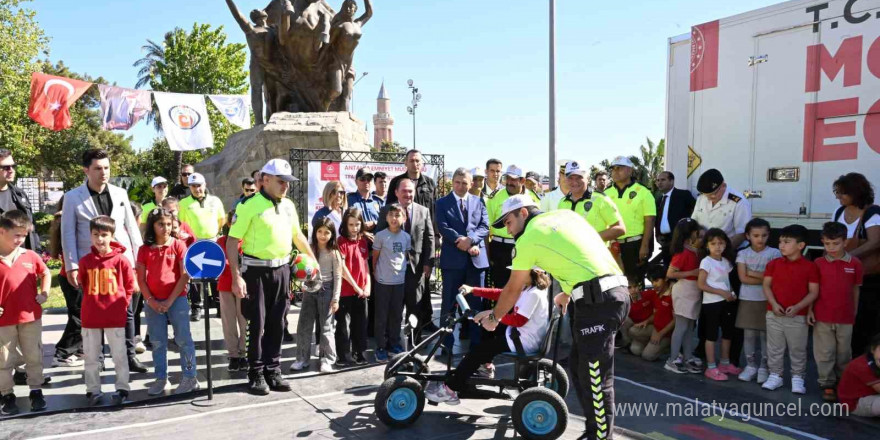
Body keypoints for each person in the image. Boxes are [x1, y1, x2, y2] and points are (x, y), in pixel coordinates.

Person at [474, 195, 628, 440]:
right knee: (580, 368)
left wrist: (494, 317)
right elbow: (580, 254)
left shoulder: (528, 238)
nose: (508, 229)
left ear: (523, 213)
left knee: (595, 377)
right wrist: (567, 293)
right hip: (605, 294)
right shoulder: (565, 216)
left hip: (599, 301)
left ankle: (601, 437)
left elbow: (513, 288)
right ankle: (594, 432)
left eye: (509, 222)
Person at [229, 159, 314, 395]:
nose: (285, 186)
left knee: (278, 322)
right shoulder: (248, 205)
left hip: (282, 270)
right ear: (265, 180)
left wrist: (313, 260)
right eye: (280, 181)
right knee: (256, 324)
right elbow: (232, 241)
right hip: (255, 272)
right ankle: (255, 372)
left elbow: (298, 236)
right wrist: (237, 277)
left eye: (287, 181)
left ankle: (273, 369)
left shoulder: (288, 206)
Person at [61, 148, 146, 374]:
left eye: (107, 168)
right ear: (86, 170)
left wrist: (139, 261)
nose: (103, 172)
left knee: (127, 312)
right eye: (98, 168)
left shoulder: (120, 194)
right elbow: (67, 233)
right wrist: (72, 265)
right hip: (91, 265)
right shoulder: (71, 198)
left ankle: (129, 358)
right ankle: (96, 361)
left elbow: (131, 229)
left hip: (121, 262)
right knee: (93, 315)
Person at [426, 268, 550, 404]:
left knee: (478, 351)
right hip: (520, 334)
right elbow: (502, 295)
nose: (514, 274)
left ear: (529, 273)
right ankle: (486, 366)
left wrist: (492, 314)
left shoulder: (533, 294)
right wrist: (473, 290)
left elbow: (518, 320)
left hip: (523, 340)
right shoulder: (528, 288)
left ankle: (450, 390)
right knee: (485, 331)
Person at [691, 168, 751, 366]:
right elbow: (696, 225)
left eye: (713, 194)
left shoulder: (738, 201)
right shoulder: (702, 199)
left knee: (730, 309)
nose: (710, 198)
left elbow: (742, 233)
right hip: (706, 257)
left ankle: (732, 357)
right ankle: (702, 347)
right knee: (706, 306)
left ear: (723, 186)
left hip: (728, 258)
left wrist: (721, 252)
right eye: (707, 195)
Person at [136, 208, 200, 396]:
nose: (165, 228)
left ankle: (190, 377)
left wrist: (170, 300)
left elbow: (185, 275)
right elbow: (141, 279)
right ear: (152, 226)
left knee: (184, 339)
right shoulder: (144, 249)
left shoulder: (179, 245)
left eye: (169, 224)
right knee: (157, 341)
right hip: (152, 302)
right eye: (160, 224)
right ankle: (161, 378)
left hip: (177, 299)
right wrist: (151, 300)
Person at [78, 216, 136, 406]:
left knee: (119, 355)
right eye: (96, 234)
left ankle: (122, 387)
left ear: (112, 236)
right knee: (92, 357)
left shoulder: (122, 260)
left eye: (104, 235)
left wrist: (123, 304)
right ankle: (92, 390)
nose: (100, 239)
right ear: (90, 235)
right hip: (91, 316)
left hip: (115, 316)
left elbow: (129, 286)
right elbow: (83, 284)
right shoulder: (86, 261)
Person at [0, 211, 51, 415]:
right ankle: (6, 394)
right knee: (4, 359)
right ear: (2, 231)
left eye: (24, 235)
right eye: (16, 235)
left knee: (34, 356)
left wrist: (45, 293)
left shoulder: (30, 255)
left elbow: (45, 272)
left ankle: (36, 391)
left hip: (30, 317)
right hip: (3, 321)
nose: (20, 240)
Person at [436, 168, 489, 354]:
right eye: (457, 182)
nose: (460, 186)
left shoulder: (478, 201)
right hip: (453, 261)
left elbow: (484, 226)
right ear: (453, 182)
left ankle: (476, 344)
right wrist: (462, 241)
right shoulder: (442, 203)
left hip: (476, 261)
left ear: (471, 184)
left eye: (464, 183)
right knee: (449, 304)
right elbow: (442, 226)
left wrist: (471, 240)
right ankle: (446, 345)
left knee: (476, 304)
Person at [762, 225, 819, 394]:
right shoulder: (773, 264)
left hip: (797, 316)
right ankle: (775, 375)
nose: (781, 245)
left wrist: (798, 307)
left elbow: (814, 291)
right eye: (780, 241)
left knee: (797, 348)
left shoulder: (810, 267)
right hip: (774, 313)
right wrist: (773, 303)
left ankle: (797, 378)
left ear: (800, 245)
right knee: (774, 347)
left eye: (787, 242)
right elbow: (766, 286)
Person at [811, 222, 863, 402]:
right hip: (822, 316)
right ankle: (827, 383)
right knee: (825, 352)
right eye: (827, 244)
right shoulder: (818, 263)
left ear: (845, 242)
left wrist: (854, 311)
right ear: (822, 242)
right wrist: (810, 310)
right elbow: (813, 290)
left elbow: (856, 289)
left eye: (836, 243)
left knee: (844, 353)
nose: (831, 248)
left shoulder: (855, 263)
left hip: (845, 317)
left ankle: (844, 382)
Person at [376, 179, 435, 337]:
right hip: (391, 269)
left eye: (410, 191)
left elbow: (430, 238)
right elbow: (380, 237)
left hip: (415, 268)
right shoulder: (386, 211)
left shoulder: (423, 211)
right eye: (404, 191)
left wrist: (429, 263)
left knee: (415, 305)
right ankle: (391, 340)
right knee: (393, 307)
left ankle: (414, 341)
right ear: (396, 192)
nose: (408, 194)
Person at [832, 172, 880, 356]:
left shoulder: (872, 212)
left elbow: (875, 242)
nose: (838, 196)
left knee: (865, 321)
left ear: (856, 193)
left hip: (868, 279)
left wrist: (847, 257)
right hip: (844, 277)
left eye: (842, 192)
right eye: (837, 192)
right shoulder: (838, 212)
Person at [292, 217, 341, 373]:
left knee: (326, 327)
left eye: (326, 232)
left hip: (327, 290)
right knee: (304, 325)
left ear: (332, 234)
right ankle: (302, 359)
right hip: (310, 290)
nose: (322, 235)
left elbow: (338, 277)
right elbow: (303, 270)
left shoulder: (334, 253)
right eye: (319, 231)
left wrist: (335, 299)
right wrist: (303, 285)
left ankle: (326, 359)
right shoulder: (310, 249)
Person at [735, 218, 780, 384]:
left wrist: (752, 272)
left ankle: (764, 367)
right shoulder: (743, 254)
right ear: (747, 236)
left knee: (765, 335)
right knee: (749, 334)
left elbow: (774, 278)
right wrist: (764, 277)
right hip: (748, 298)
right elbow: (743, 278)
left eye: (764, 235)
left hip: (767, 299)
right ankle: (751, 365)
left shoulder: (775, 254)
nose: (760, 239)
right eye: (755, 235)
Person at [178, 172, 226, 321]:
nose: (196, 189)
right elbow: (182, 224)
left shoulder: (215, 201)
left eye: (199, 185)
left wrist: (212, 233)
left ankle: (219, 306)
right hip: (194, 244)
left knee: (216, 274)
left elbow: (221, 220)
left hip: (212, 241)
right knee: (195, 276)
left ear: (205, 185)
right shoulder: (184, 203)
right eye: (193, 186)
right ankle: (196, 307)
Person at [697, 228, 741, 381]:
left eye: (721, 243)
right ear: (707, 246)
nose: (717, 246)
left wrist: (730, 293)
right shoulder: (706, 262)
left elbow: (726, 281)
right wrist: (721, 293)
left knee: (728, 333)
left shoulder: (726, 261)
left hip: (726, 302)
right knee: (711, 335)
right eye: (713, 243)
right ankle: (711, 367)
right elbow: (701, 284)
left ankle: (724, 363)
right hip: (712, 304)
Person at [486, 165, 539, 288]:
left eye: (514, 179)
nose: (509, 182)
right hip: (500, 248)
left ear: (522, 181)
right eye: (507, 178)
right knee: (501, 287)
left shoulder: (533, 198)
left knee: (524, 286)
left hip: (524, 246)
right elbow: (486, 228)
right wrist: (488, 254)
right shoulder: (495, 197)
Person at [372, 203, 411, 362]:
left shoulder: (406, 237)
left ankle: (394, 344)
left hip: (399, 282)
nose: (394, 219)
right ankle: (380, 346)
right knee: (381, 316)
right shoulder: (380, 236)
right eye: (391, 215)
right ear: (386, 217)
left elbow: (405, 257)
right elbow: (375, 258)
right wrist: (376, 274)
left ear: (404, 218)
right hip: (383, 282)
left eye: (398, 215)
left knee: (396, 315)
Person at [607, 156, 656, 281]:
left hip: (635, 245)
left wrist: (645, 246)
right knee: (615, 283)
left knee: (635, 283)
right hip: (613, 245)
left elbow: (649, 220)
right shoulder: (606, 193)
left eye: (620, 168)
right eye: (613, 169)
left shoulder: (643, 192)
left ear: (630, 171)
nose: (616, 171)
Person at [665, 218, 704, 374]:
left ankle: (687, 357)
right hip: (685, 290)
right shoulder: (683, 252)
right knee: (681, 327)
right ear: (692, 233)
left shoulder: (691, 251)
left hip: (692, 291)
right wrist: (691, 273)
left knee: (688, 327)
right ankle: (673, 359)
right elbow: (670, 273)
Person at [335, 207, 370, 366]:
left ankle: (359, 353)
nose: (354, 228)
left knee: (360, 324)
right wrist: (356, 287)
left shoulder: (363, 241)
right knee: (343, 326)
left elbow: (366, 265)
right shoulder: (341, 242)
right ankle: (342, 355)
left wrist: (368, 285)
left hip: (362, 292)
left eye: (357, 224)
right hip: (346, 291)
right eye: (351, 225)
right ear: (345, 225)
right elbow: (342, 269)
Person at [558, 161, 625, 242]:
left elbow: (620, 228)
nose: (575, 182)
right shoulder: (562, 202)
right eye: (570, 178)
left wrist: (590, 239)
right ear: (566, 180)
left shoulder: (601, 199)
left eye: (579, 177)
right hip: (569, 252)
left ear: (588, 179)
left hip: (595, 253)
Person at [217, 210, 248, 373]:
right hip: (225, 285)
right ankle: (234, 356)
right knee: (229, 322)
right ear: (229, 223)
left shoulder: (248, 240)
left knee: (244, 321)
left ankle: (244, 354)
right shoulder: (221, 241)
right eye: (233, 220)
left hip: (244, 286)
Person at [0, 150, 40, 251]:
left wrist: (37, 253)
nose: (11, 170)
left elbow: (32, 228)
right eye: (6, 167)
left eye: (13, 166)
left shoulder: (20, 194)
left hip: (22, 258)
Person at [653, 171, 695, 268]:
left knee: (679, 267)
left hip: (680, 240)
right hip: (664, 241)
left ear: (672, 181)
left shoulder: (683, 195)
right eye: (658, 180)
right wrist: (658, 235)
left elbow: (696, 211)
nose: (659, 183)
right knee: (667, 268)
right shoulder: (659, 200)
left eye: (663, 180)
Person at [385, 150, 437, 221]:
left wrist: (435, 231)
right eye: (412, 161)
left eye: (417, 161)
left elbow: (434, 209)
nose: (415, 164)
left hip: (424, 227)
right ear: (406, 163)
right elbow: (389, 206)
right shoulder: (396, 182)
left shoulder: (430, 183)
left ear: (422, 163)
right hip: (402, 227)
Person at [836, 333, 880, 417]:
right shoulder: (863, 366)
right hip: (856, 403)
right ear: (873, 349)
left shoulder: (875, 360)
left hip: (871, 395)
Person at [642, 265, 674, 362]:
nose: (654, 284)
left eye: (656, 280)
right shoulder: (655, 293)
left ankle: (667, 347)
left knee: (647, 356)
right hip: (655, 328)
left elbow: (677, 320)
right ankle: (651, 344)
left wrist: (660, 334)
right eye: (652, 282)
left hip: (667, 334)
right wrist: (647, 321)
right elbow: (637, 295)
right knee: (633, 331)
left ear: (666, 278)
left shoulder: (674, 293)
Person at [620, 277, 655, 354]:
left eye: (635, 286)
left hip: (651, 326)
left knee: (633, 331)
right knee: (636, 350)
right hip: (638, 328)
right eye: (629, 287)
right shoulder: (625, 302)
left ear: (639, 287)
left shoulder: (649, 294)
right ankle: (628, 343)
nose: (633, 290)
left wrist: (647, 321)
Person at [347, 168, 383, 232]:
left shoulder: (378, 201)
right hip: (357, 238)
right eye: (362, 179)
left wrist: (375, 223)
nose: (366, 182)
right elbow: (344, 221)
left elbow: (385, 221)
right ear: (356, 182)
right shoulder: (348, 199)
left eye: (369, 179)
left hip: (377, 239)